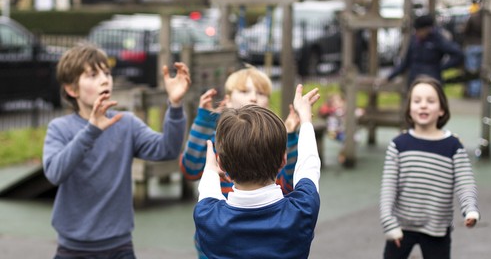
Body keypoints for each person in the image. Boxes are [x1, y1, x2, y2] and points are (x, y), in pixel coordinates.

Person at [43, 43, 191, 258]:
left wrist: (175, 105)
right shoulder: (60, 129)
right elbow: (55, 173)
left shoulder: (126, 123)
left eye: (107, 73)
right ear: (71, 89)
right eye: (93, 75)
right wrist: (91, 130)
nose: (104, 79)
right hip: (73, 249)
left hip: (119, 247)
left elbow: (167, 150)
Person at [179, 66, 300, 257]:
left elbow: (290, 182)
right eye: (244, 91)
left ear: (267, 102)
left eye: (260, 93)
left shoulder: (272, 142)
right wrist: (203, 120)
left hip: (264, 233)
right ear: (226, 100)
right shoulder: (219, 139)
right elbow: (191, 169)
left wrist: (290, 137)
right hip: (217, 238)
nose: (253, 97)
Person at [193, 84, 321, 259]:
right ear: (283, 159)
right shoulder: (302, 210)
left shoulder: (208, 217)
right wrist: (305, 118)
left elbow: (208, 188)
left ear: (221, 164)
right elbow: (309, 164)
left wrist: (210, 167)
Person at [379, 76, 480, 259]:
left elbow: (465, 183)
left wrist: (470, 209)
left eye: (430, 101)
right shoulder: (399, 145)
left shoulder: (453, 146)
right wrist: (389, 222)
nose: (423, 105)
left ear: (441, 109)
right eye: (417, 101)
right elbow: (388, 188)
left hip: (437, 228)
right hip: (401, 227)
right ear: (409, 109)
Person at [379, 14, 464, 88]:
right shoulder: (414, 40)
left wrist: (442, 67)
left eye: (419, 30)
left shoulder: (437, 39)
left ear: (427, 29)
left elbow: (457, 54)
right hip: (414, 80)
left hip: (431, 80)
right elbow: (405, 62)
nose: (417, 33)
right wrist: (389, 77)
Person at [463, 0, 484, 97]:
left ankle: (473, 92)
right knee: (481, 69)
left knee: (472, 69)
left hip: (472, 44)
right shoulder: (487, 17)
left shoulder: (472, 15)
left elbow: (465, 30)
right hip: (483, 45)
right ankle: (479, 91)